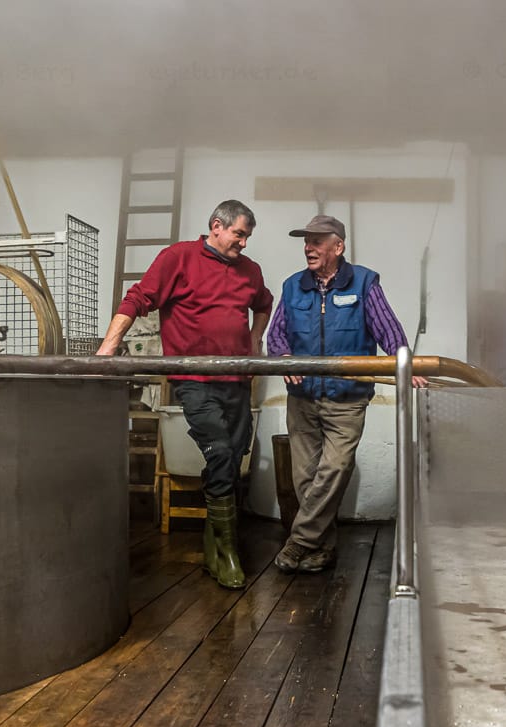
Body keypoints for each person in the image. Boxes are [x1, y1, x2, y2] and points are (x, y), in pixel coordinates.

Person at [97, 199, 273, 589]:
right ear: (216, 226)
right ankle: (228, 553)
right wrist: (110, 346)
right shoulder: (178, 258)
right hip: (194, 380)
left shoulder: (250, 271)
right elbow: (138, 298)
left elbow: (264, 302)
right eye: (239, 234)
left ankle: (214, 549)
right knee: (221, 451)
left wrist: (255, 338)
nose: (244, 243)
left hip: (238, 380)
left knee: (232, 458)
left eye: (247, 236)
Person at [266, 215, 427, 573]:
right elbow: (276, 335)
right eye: (306, 241)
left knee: (335, 469)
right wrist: (284, 357)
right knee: (305, 479)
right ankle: (322, 549)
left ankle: (299, 543)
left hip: (347, 397)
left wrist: (405, 364)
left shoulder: (365, 282)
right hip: (302, 397)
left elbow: (389, 329)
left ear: (338, 247)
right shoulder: (293, 286)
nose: (309, 247)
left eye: (317, 241)